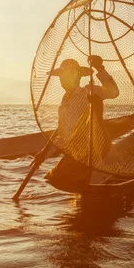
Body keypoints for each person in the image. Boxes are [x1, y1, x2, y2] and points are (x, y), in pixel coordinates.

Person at [43, 55, 119, 188]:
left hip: (94, 148)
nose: (65, 78)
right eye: (62, 75)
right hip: (76, 151)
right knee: (53, 178)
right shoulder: (64, 102)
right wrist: (44, 153)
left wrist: (99, 68)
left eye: (70, 74)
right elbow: (62, 130)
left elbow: (113, 92)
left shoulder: (89, 90)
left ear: (78, 77)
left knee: (57, 178)